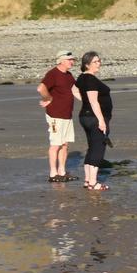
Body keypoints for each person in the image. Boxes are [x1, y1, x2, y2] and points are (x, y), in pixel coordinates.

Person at [37, 51, 80, 183]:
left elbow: (75, 90)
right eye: (69, 59)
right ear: (61, 61)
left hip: (67, 114)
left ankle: (61, 171)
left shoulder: (68, 75)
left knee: (65, 144)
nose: (72, 62)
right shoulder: (53, 73)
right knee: (55, 144)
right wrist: (48, 98)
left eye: (72, 60)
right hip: (55, 115)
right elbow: (41, 88)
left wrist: (88, 102)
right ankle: (53, 173)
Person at [76, 51, 115, 191]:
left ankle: (87, 180)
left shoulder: (81, 78)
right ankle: (93, 182)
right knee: (98, 148)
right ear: (87, 64)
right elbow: (93, 101)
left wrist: (84, 101)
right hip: (94, 118)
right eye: (95, 62)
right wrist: (101, 121)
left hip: (85, 117)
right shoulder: (90, 79)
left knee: (92, 147)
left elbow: (73, 90)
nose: (99, 64)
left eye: (99, 61)